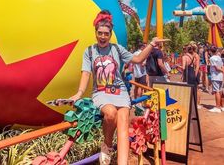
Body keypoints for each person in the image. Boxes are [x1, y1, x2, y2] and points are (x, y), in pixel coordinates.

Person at [66, 10, 164, 165]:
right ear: (96, 33)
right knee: (110, 114)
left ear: (110, 34)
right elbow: (85, 73)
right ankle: (108, 144)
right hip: (100, 92)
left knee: (124, 119)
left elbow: (138, 59)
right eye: (100, 33)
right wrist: (79, 93)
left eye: (106, 33)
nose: (103, 36)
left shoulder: (117, 49)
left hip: (120, 92)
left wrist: (151, 44)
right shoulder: (90, 51)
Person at [182, 43, 200, 107]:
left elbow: (197, 66)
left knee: (195, 88)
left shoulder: (195, 55)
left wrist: (195, 75)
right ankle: (193, 103)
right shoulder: (193, 55)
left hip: (193, 72)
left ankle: (196, 103)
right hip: (193, 72)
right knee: (193, 88)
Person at [209, 46, 224, 113]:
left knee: (216, 91)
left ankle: (217, 107)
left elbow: (216, 68)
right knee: (220, 91)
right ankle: (220, 106)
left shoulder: (212, 58)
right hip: (220, 76)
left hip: (215, 76)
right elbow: (221, 66)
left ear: (211, 51)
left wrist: (222, 71)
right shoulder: (219, 57)